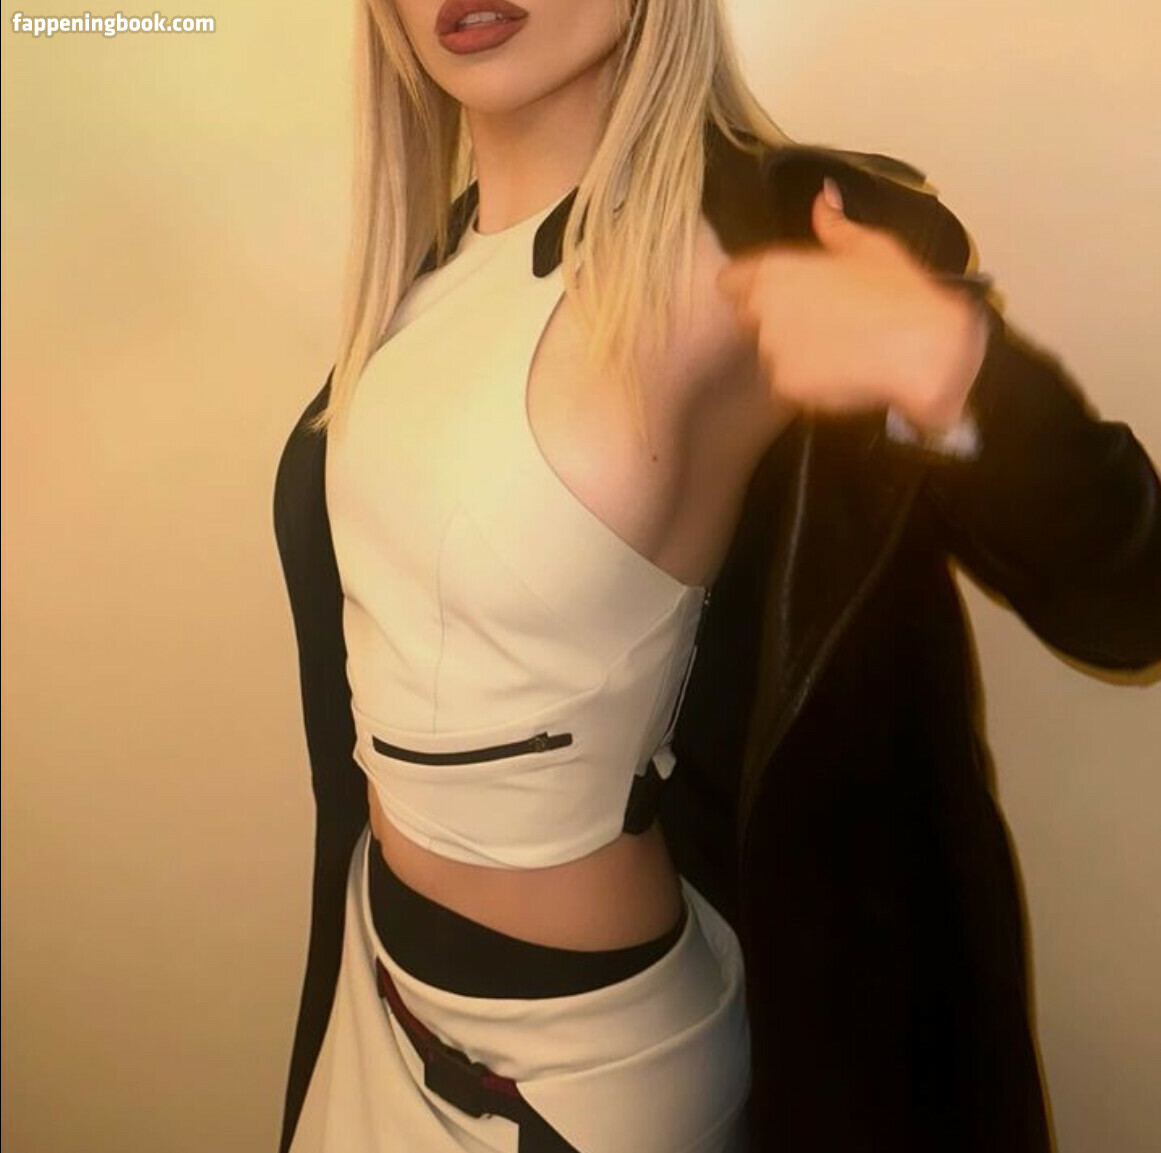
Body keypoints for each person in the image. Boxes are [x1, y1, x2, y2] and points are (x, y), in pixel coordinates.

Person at [273, 2, 1161, 1151]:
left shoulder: (780, 239)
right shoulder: (418, 279)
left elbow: (1130, 596)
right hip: (381, 991)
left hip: (585, 1077)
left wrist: (963, 374)